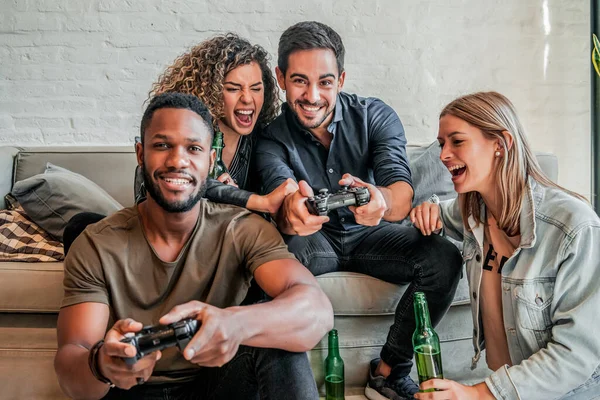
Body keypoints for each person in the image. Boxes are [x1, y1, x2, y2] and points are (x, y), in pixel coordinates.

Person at [54, 92, 332, 400]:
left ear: (210, 161)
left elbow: (316, 311)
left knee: (279, 343)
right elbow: (72, 365)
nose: (177, 161)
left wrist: (236, 324)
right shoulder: (96, 243)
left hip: (217, 385)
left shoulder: (243, 228)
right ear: (140, 154)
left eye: (194, 148)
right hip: (128, 390)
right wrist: (101, 363)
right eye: (162, 146)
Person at [254, 21, 463, 400]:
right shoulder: (269, 137)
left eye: (325, 82)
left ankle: (387, 372)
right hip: (312, 240)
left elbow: (400, 192)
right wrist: (293, 212)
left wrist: (380, 202)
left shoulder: (375, 116)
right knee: (264, 268)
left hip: (374, 234)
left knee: (444, 256)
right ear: (281, 78)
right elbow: (282, 199)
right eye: (299, 81)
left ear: (342, 79)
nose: (313, 95)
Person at [410, 91, 600, 400]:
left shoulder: (575, 228)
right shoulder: (473, 211)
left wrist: (475, 394)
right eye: (442, 143)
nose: (443, 154)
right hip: (508, 388)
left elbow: (576, 355)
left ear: (501, 144)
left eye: (457, 141)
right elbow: (436, 213)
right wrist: (425, 209)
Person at [63, 33, 297, 255]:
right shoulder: (176, 137)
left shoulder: (266, 144)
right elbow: (151, 188)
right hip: (168, 235)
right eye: (233, 89)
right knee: (82, 227)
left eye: (256, 88)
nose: (247, 98)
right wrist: (235, 196)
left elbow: (271, 214)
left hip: (224, 244)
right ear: (211, 92)